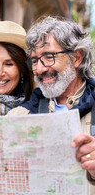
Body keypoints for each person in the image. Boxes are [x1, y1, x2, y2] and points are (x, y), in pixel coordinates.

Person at [7, 16, 95, 193]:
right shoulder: (17, 118)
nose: (39, 69)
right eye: (34, 60)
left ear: (77, 57)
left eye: (49, 56)